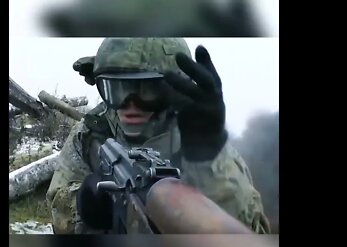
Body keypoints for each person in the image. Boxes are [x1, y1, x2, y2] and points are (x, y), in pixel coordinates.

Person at [46, 38, 270, 234]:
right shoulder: (92, 133)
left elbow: (250, 236)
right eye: (117, 88)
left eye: (147, 89)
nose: (130, 104)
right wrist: (84, 204)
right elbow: (57, 209)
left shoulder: (199, 140)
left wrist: (208, 163)